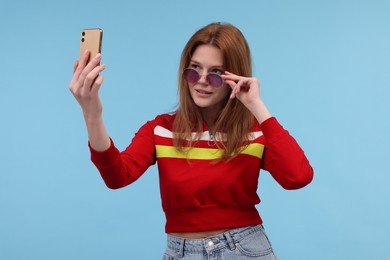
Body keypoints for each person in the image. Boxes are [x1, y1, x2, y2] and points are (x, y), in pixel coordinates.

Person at [69, 22, 313, 259]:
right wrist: (91, 112)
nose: (202, 80)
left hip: (244, 250)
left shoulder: (254, 132)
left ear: (234, 77)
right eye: (194, 69)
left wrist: (256, 106)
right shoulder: (161, 129)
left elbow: (298, 177)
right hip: (181, 252)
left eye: (216, 73)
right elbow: (117, 177)